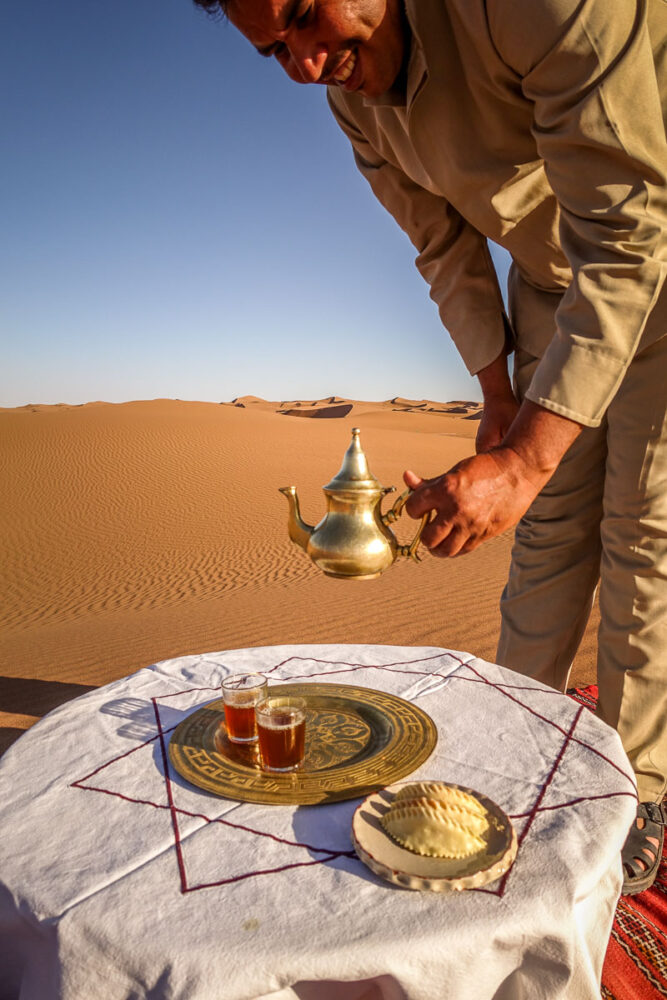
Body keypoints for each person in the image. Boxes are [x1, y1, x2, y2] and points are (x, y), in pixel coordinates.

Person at [193, 0, 667, 894]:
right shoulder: (352, 97)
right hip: (549, 286)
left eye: (303, 15)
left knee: (644, 532)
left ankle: (635, 788)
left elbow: (626, 237)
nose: (300, 65)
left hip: (654, 256)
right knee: (546, 536)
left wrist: (525, 459)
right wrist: (498, 403)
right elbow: (442, 244)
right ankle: (516, 737)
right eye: (273, 50)